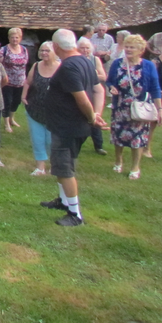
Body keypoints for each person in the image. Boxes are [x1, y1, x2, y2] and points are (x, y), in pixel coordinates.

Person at [40, 29, 107, 226]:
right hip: (69, 125)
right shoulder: (85, 61)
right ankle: (63, 201)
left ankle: (75, 214)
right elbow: (98, 89)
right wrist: (97, 114)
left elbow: (83, 98)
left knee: (64, 169)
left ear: (56, 46)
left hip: (67, 127)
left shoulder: (69, 67)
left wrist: (92, 116)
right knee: (63, 164)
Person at [107, 34, 162, 180]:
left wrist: (160, 109)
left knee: (137, 138)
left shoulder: (148, 65)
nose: (128, 49)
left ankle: (135, 167)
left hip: (139, 107)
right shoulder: (117, 64)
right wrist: (111, 88)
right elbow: (109, 81)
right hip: (120, 106)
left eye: (132, 47)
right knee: (118, 136)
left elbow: (155, 88)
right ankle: (118, 161)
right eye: (127, 46)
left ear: (140, 50)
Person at [22, 41, 60, 176]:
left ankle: (54, 166)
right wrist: (24, 96)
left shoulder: (61, 68)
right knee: (38, 138)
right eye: (42, 50)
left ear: (54, 52)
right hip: (34, 108)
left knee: (51, 140)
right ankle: (40, 167)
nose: (44, 53)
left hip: (54, 111)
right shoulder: (36, 66)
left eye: (47, 51)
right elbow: (28, 82)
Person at [76, 37, 108, 156]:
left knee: (95, 117)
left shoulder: (95, 60)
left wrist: (89, 74)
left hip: (94, 92)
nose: (85, 50)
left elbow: (103, 77)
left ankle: (98, 146)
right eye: (82, 48)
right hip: (80, 92)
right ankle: (76, 143)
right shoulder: (74, 60)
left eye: (87, 48)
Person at [0, 27, 28, 133]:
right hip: (8, 82)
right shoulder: (4, 50)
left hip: (20, 81)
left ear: (20, 38)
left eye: (17, 37)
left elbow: (25, 64)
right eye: (12, 37)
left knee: (16, 101)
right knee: (7, 101)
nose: (14, 39)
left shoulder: (24, 49)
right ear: (9, 38)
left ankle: (12, 119)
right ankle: (6, 123)